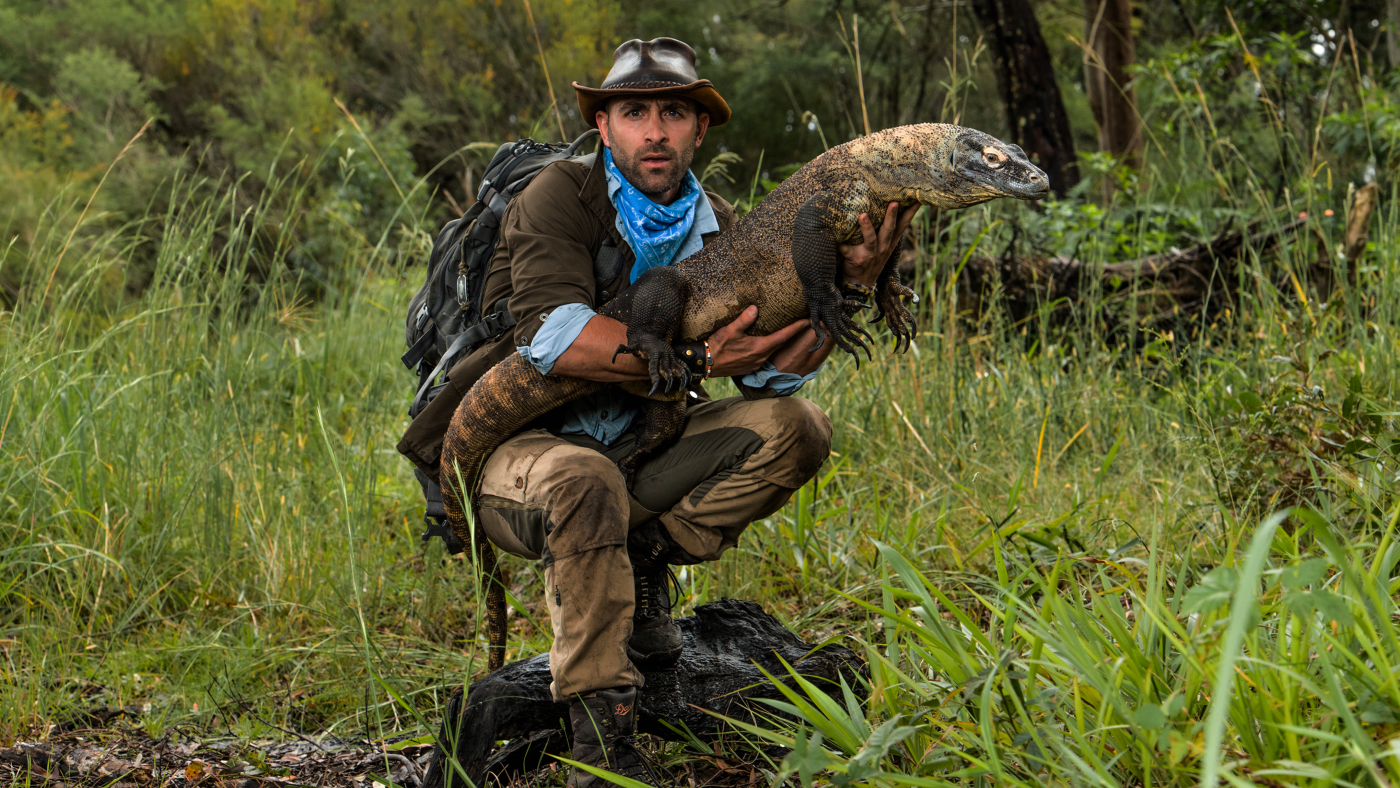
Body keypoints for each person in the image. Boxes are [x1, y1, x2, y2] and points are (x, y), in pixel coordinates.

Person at [397, 37, 914, 787]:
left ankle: (634, 562)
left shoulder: (728, 229)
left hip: (636, 448)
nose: (656, 130)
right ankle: (601, 743)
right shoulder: (559, 196)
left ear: (700, 131)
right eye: (633, 112)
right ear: (604, 128)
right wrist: (698, 362)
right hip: (519, 456)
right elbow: (552, 338)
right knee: (582, 481)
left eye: (674, 112)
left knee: (797, 429)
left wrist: (848, 289)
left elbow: (769, 380)